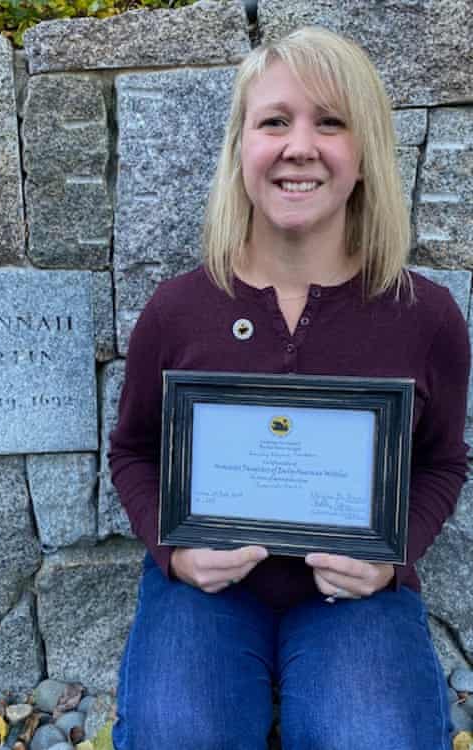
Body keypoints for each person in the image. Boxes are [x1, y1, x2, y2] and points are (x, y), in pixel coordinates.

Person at [108, 26, 469, 750]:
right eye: (275, 121)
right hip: (205, 592)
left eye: (330, 122)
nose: (299, 146)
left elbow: (441, 462)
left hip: (354, 599)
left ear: (363, 155)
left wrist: (392, 561)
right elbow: (133, 451)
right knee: (175, 735)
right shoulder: (179, 309)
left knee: (376, 738)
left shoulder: (423, 315)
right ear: (241, 148)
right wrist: (173, 553)